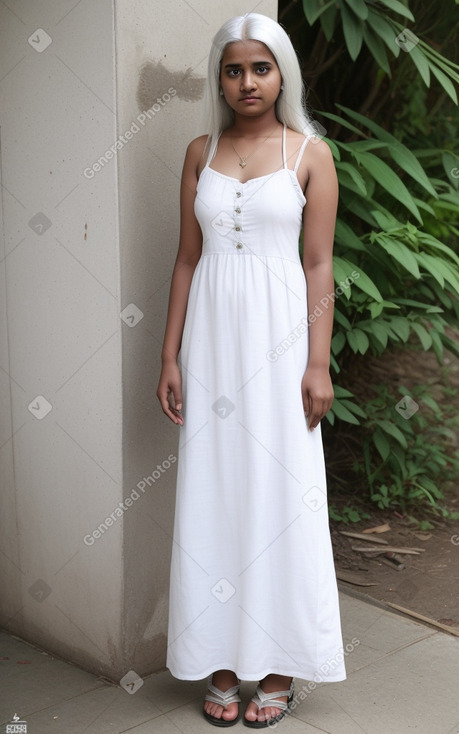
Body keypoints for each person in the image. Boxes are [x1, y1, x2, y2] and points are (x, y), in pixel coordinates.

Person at [156, 12, 346, 729]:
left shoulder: (309, 155)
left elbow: (319, 263)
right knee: (216, 491)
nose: (246, 82)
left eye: (260, 68)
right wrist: (169, 354)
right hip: (210, 347)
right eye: (233, 69)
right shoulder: (198, 151)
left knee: (280, 492)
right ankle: (222, 660)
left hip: (279, 347)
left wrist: (317, 362)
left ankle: (277, 665)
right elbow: (186, 257)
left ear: (281, 74)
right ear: (220, 78)